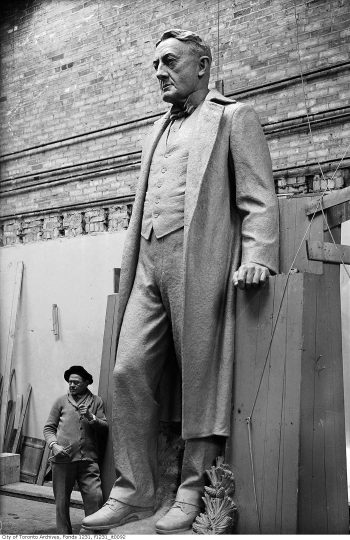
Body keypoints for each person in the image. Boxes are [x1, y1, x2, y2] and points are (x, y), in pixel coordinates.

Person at [82, 28, 279, 534]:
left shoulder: (234, 118)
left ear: (203, 65)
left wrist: (259, 254)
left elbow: (258, 197)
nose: (159, 73)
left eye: (169, 62)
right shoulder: (155, 129)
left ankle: (191, 492)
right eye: (155, 65)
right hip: (147, 259)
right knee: (127, 372)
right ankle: (132, 490)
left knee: (200, 378)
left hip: (201, 262)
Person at [43, 365, 108, 534]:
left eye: (76, 382)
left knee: (95, 497)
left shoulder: (96, 401)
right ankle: (64, 534)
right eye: (70, 382)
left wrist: (90, 417)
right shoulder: (61, 401)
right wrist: (54, 445)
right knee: (61, 502)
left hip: (88, 460)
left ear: (86, 382)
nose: (71, 385)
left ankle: (90, 532)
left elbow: (105, 428)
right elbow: (49, 428)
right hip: (63, 460)